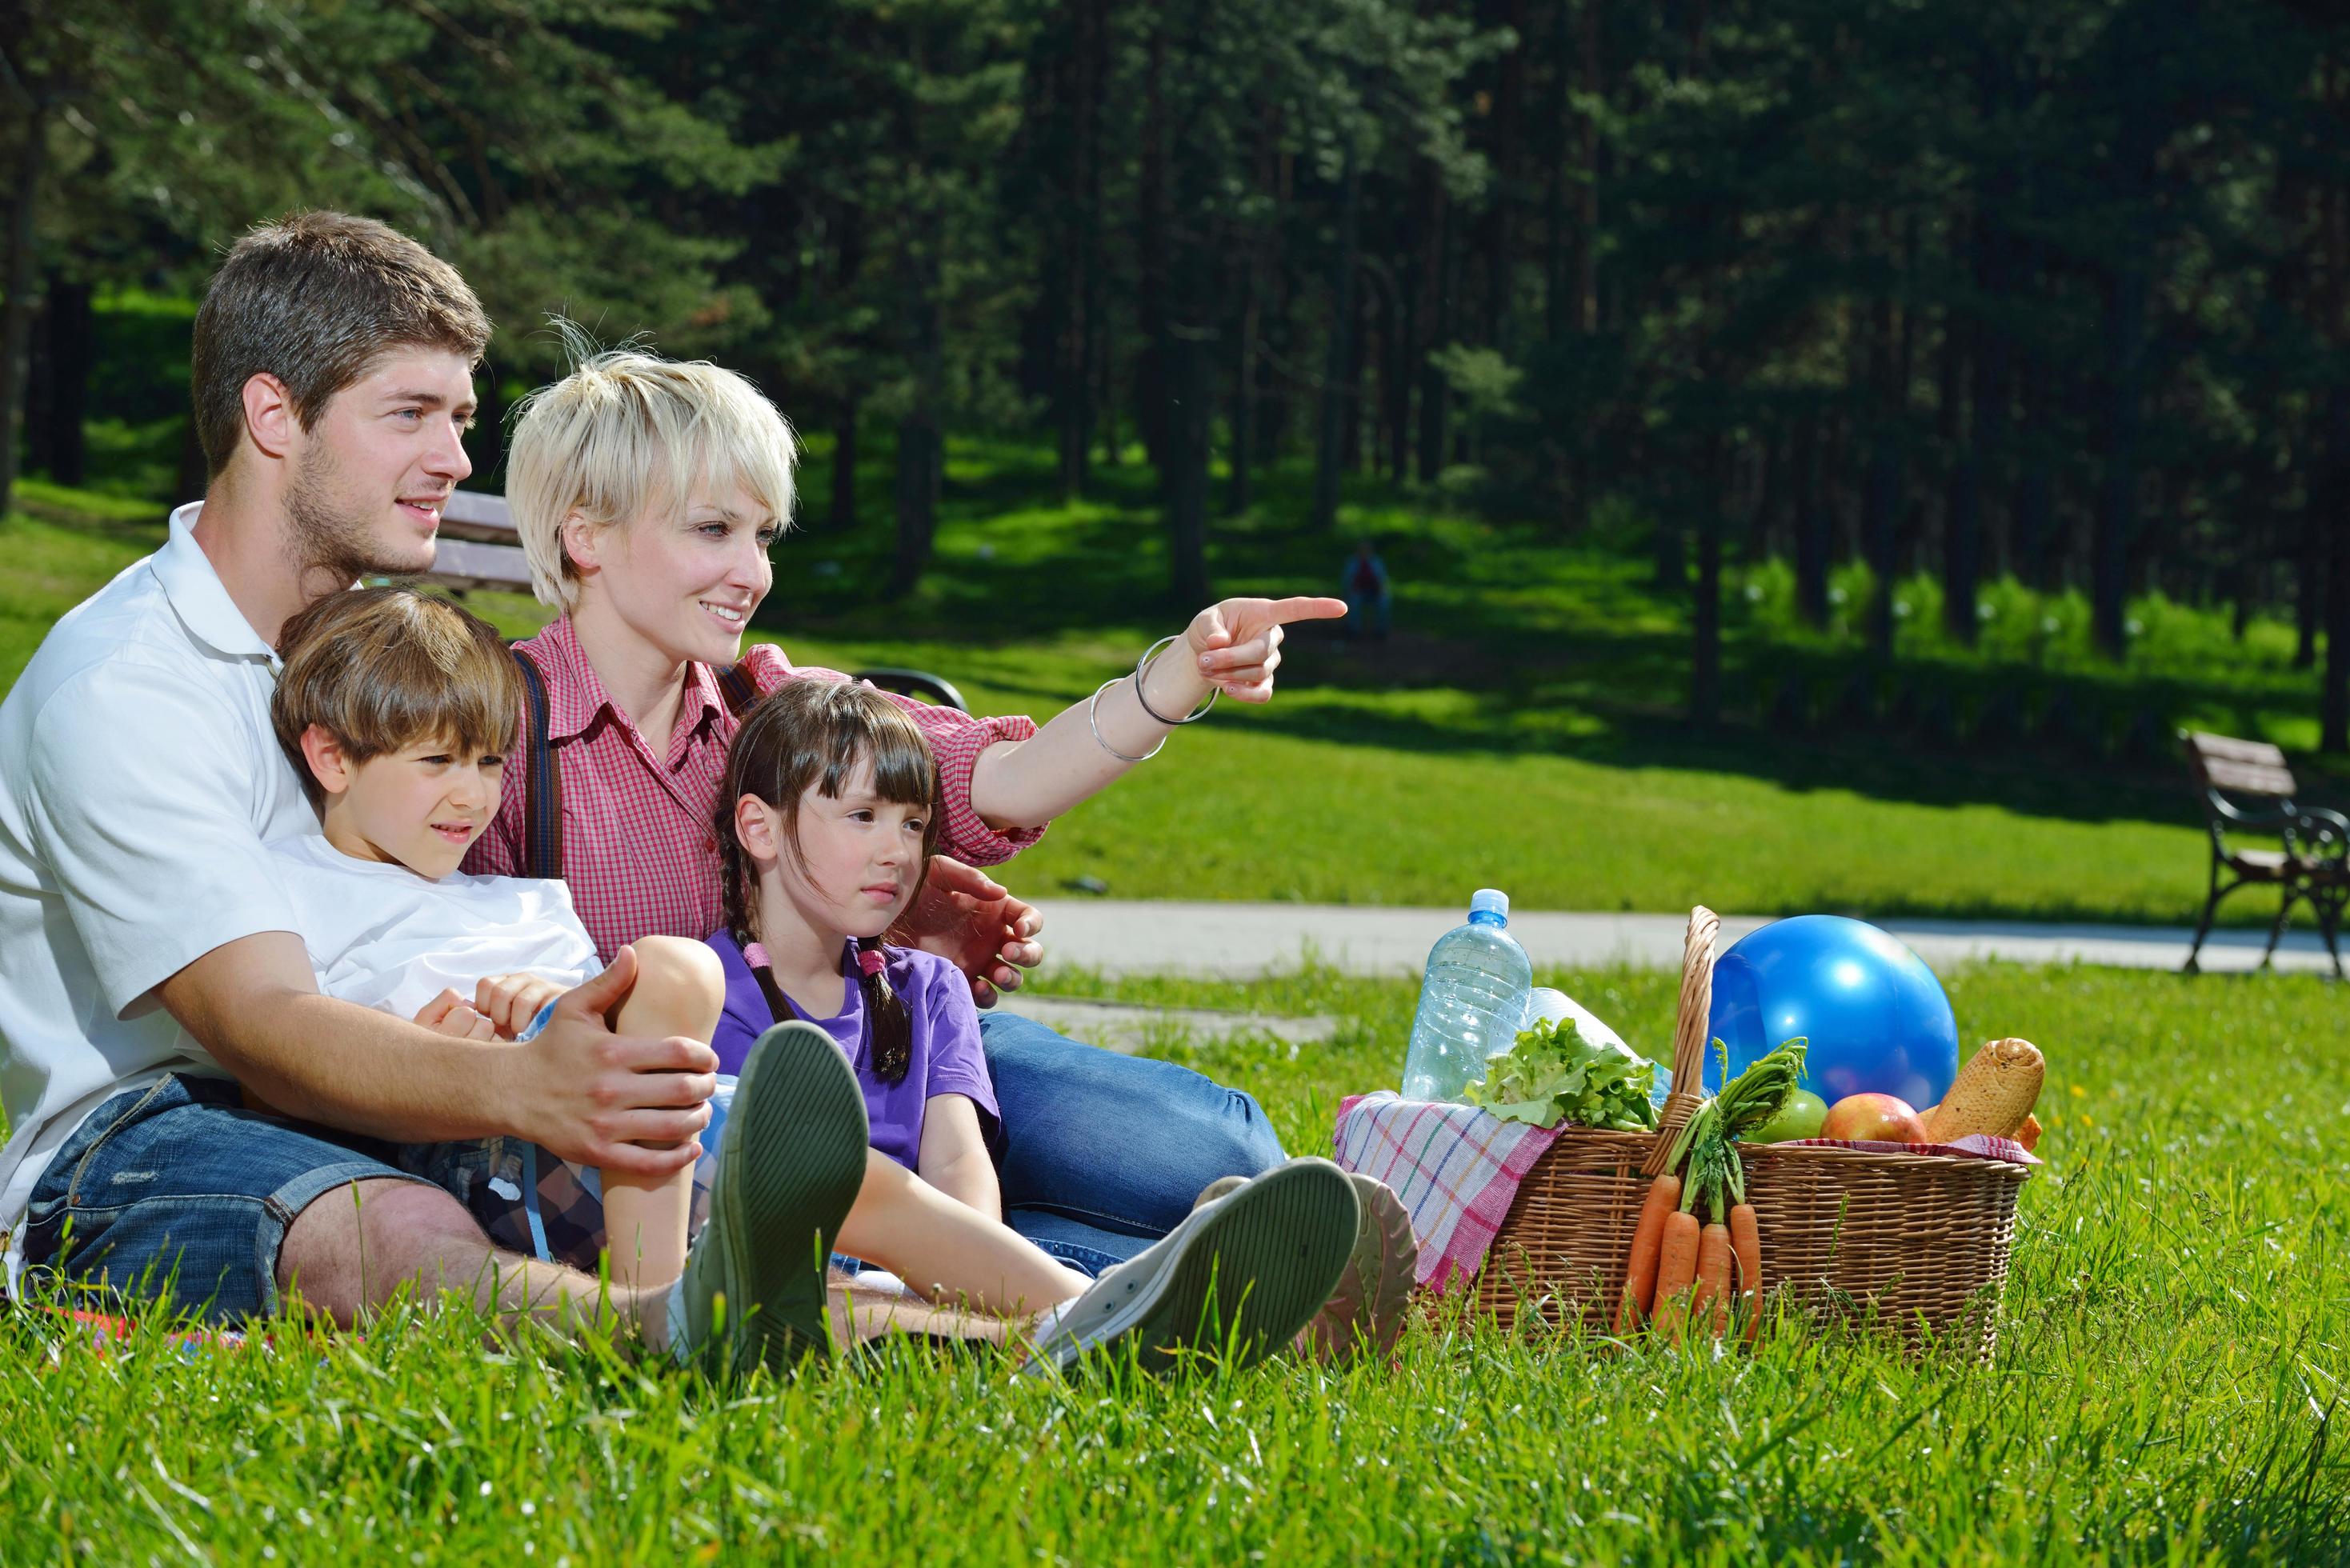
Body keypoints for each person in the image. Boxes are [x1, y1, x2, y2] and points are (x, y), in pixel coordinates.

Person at [0, 212, 899, 1375]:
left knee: (752, 1173)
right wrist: (519, 1083)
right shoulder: (127, 681)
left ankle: (1049, 1317)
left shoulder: (384, 663)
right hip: (148, 1134)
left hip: (386, 1083)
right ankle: (655, 1333)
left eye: (461, 418)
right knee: (398, 1228)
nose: (459, 460)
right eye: (411, 415)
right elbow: (260, 1030)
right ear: (274, 416)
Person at [264, 585, 1362, 1368]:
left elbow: (988, 776)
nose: (473, 796)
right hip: (542, 1165)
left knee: (854, 1202)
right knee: (700, 1021)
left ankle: (1075, 1320)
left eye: (488, 766)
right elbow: (322, 1050)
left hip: (660, 1128)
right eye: (437, 766)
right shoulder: (311, 901)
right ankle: (668, 1314)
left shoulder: (520, 896)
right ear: (331, 761)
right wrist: (478, 1035)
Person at [471, 341, 1343, 1277]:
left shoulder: (774, 703)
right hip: (708, 1135)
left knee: (1223, 1151)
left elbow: (993, 778)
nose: (753, 573)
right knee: (977, 1230)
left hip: (876, 1041)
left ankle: (1194, 1259)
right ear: (584, 535)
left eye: (763, 537)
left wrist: (1176, 678)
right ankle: (1191, 1278)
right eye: (713, 529)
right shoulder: (499, 730)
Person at [707, 675, 1410, 1357]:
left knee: (1085, 1258)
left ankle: (1237, 1307)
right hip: (810, 1273)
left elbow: (956, 1160)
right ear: (758, 828)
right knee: (859, 1299)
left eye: (915, 824)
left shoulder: (926, 988)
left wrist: (965, 1280)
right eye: (863, 816)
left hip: (940, 1262)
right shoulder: (710, 993)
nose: (897, 851)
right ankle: (1176, 1321)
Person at [1343, 540, 1391, 642]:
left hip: (1374, 593)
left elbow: (1382, 580)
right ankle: (1354, 631)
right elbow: (1348, 581)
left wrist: (1382, 591)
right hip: (1358, 592)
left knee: (1384, 602)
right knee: (1354, 602)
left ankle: (1381, 631)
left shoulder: (1377, 562)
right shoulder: (1352, 563)